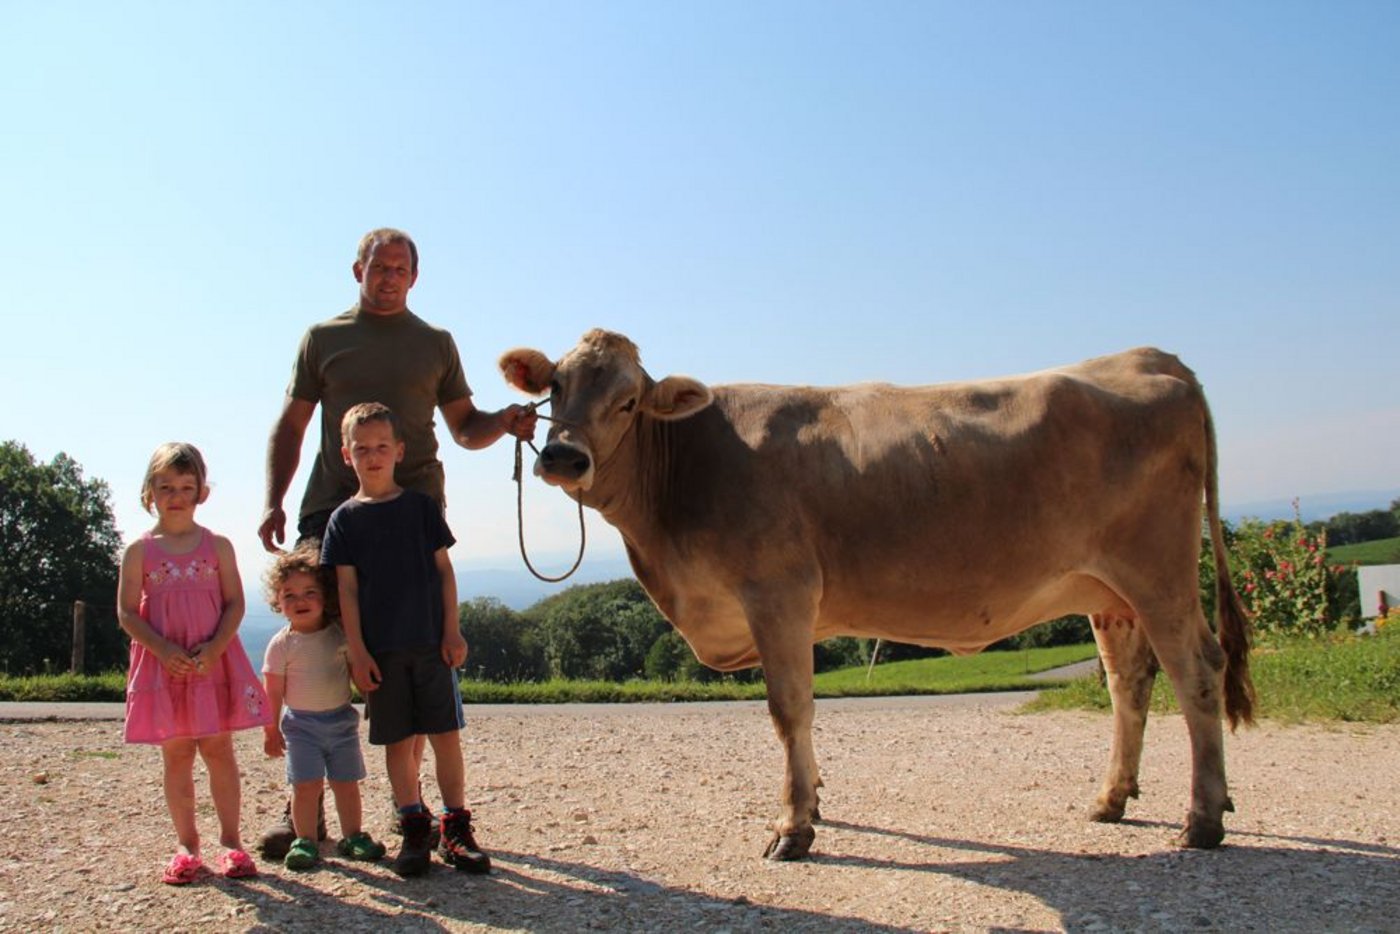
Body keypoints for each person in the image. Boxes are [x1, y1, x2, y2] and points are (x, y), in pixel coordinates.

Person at [255, 227, 535, 857]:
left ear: (415, 277)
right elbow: (293, 423)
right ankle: (305, 810)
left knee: (410, 653)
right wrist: (274, 497)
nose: (387, 277)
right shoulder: (323, 338)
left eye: (399, 269)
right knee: (320, 649)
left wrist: (507, 423)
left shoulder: (435, 343)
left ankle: (412, 810)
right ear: (357, 269)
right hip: (333, 507)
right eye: (378, 267)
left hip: (414, 514)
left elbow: (465, 427)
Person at [322, 402, 489, 876]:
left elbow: (444, 572)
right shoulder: (344, 520)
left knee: (446, 738)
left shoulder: (420, 508)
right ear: (345, 455)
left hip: (431, 644)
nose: (372, 456)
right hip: (383, 651)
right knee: (399, 743)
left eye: (380, 447)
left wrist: (452, 628)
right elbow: (347, 589)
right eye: (361, 449)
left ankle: (456, 829)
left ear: (399, 450)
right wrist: (356, 650)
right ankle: (414, 828)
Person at [118, 442, 271, 884]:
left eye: (187, 486)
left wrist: (216, 648)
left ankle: (231, 842)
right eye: (165, 486)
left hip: (211, 663)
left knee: (219, 751)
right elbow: (126, 613)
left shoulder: (218, 546)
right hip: (165, 666)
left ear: (202, 491)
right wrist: (164, 650)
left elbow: (235, 603)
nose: (176, 495)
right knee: (177, 755)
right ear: (149, 492)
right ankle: (186, 845)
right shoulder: (139, 552)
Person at [261, 544, 387, 871]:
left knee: (346, 783)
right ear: (278, 601)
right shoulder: (281, 644)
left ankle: (353, 835)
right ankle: (305, 840)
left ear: (325, 596)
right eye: (289, 595)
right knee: (305, 786)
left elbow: (356, 674)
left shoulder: (338, 635)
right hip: (301, 726)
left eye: (309, 592)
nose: (300, 601)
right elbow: (273, 690)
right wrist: (270, 729)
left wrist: (374, 702)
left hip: (341, 723)